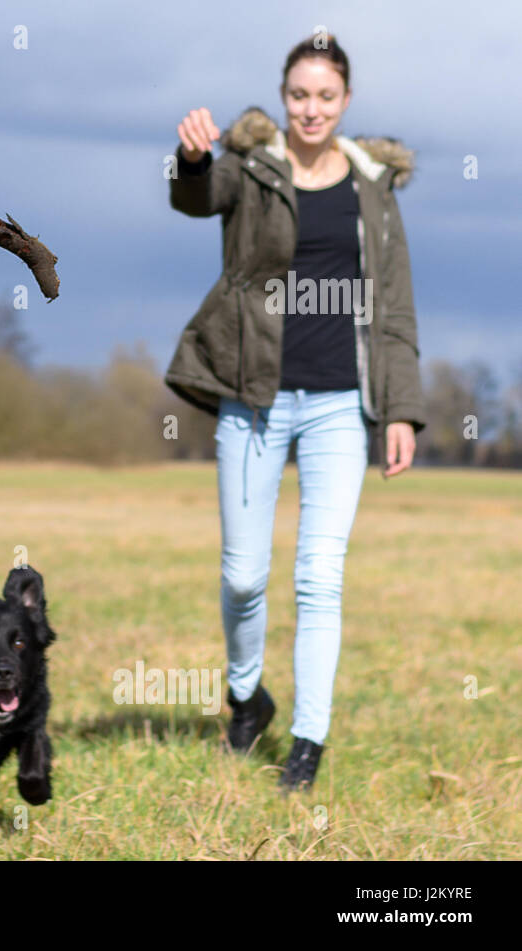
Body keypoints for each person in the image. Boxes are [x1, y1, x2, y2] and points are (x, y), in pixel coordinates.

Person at [165, 34, 428, 791]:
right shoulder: (250, 169)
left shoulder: (373, 189)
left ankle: (307, 745)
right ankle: (247, 696)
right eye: (299, 95)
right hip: (255, 396)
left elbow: (396, 307)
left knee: (320, 576)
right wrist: (187, 160)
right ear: (284, 97)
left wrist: (401, 410)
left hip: (342, 403)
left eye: (326, 96)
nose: (311, 109)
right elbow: (193, 198)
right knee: (245, 577)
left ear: (346, 102)